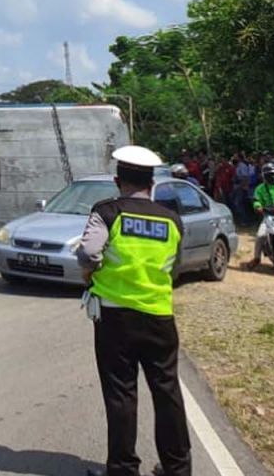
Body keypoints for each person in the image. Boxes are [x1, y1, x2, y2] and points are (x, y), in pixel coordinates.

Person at [77, 145, 190, 476]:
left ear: (117, 180)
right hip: (159, 317)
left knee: (121, 394)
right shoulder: (173, 220)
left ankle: (124, 469)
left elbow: (87, 255)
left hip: (115, 318)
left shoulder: (107, 212)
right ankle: (178, 469)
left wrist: (91, 275)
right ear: (151, 183)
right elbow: (176, 266)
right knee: (167, 392)